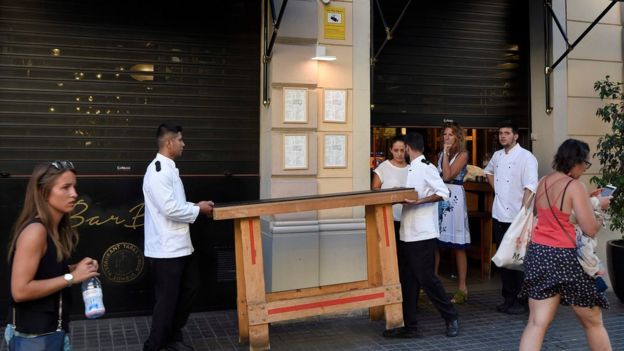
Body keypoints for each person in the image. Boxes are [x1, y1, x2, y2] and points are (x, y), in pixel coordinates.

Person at [519, 139, 611, 350]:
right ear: (576, 162)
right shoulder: (575, 186)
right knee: (593, 322)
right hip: (566, 258)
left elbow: (542, 213)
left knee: (536, 323)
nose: (585, 169)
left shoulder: (543, 181)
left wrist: (586, 200)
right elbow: (590, 228)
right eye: (585, 164)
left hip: (539, 254)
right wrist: (601, 208)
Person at [5, 160, 100, 349]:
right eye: (65, 187)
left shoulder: (54, 228)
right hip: (34, 337)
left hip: (52, 332)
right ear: (43, 192)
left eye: (74, 186)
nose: (74, 194)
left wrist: (77, 270)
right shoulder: (35, 232)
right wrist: (72, 277)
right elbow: (20, 290)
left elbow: (45, 272)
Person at [143, 123, 215, 351]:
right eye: (181, 140)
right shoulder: (157, 171)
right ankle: (154, 346)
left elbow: (175, 204)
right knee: (166, 302)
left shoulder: (170, 169)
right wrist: (199, 210)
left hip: (181, 246)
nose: (184, 144)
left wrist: (194, 205)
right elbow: (170, 209)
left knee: (190, 289)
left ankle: (172, 336)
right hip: (166, 250)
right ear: (169, 143)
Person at [383, 132, 460, 339]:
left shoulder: (427, 167)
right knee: (408, 280)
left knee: (427, 278)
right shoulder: (410, 169)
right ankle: (410, 326)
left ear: (408, 148)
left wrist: (420, 201)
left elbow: (444, 192)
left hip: (423, 234)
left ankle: (451, 316)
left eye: (403, 148)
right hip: (407, 232)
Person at [484, 122, 538, 315]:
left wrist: (523, 215)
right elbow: (488, 172)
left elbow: (530, 187)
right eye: (500, 133)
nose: (503, 136)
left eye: (507, 133)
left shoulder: (527, 158)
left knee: (518, 259)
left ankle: (522, 301)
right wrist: (497, 189)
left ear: (515, 136)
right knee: (505, 259)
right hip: (499, 213)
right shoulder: (497, 156)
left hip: (517, 217)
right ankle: (508, 298)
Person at [436, 122, 471, 304]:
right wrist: (443, 154)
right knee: (436, 241)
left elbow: (448, 175)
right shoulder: (442, 154)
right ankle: (432, 284)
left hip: (455, 198)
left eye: (450, 134)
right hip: (442, 197)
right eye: (445, 134)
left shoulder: (463, 154)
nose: (447, 137)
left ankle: (462, 288)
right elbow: (438, 176)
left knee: (458, 244)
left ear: (457, 136)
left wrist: (446, 154)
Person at [371, 136, 409, 235]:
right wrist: (391, 193)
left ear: (407, 150)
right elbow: (374, 190)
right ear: (391, 150)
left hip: (408, 219)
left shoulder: (412, 169)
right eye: (396, 150)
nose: (399, 154)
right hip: (388, 218)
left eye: (402, 150)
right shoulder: (383, 167)